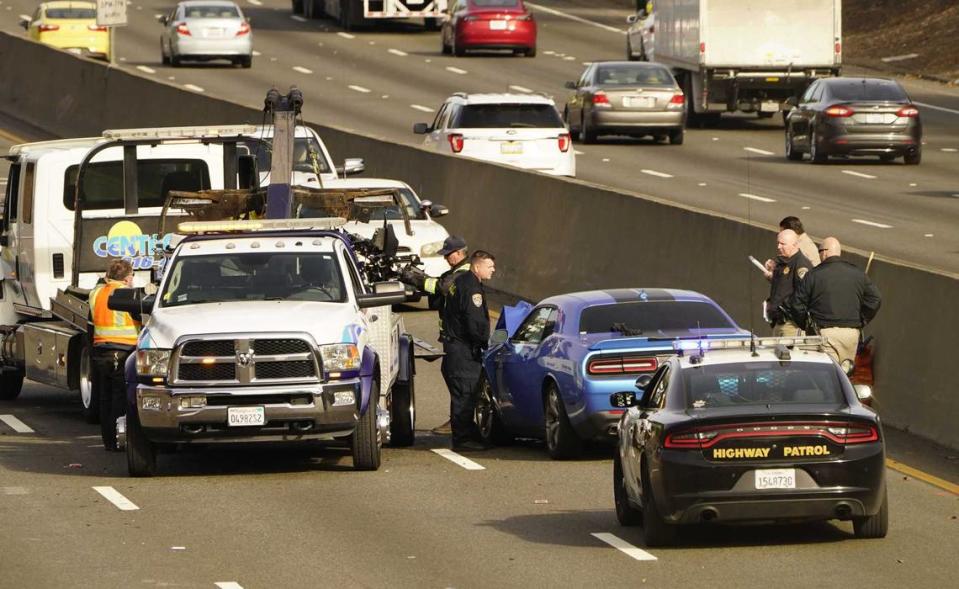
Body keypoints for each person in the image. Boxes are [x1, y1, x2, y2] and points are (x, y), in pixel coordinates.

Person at [399, 235, 470, 435]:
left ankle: (459, 422)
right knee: (450, 374)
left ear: (458, 253)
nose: (446, 259)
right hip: (451, 336)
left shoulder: (463, 272)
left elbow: (441, 287)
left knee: (457, 379)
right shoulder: (455, 271)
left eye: (448, 255)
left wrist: (417, 279)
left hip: (459, 338)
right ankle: (458, 419)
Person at [788, 237, 882, 372]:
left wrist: (806, 325)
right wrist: (861, 320)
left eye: (819, 251)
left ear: (825, 252)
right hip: (851, 334)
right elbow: (875, 298)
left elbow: (796, 305)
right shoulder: (857, 273)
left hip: (824, 333)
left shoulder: (814, 275)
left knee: (825, 375)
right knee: (845, 374)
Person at [439, 250, 495, 451]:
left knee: (465, 393)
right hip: (463, 351)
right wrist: (484, 342)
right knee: (465, 393)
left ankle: (468, 432)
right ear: (477, 267)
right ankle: (462, 439)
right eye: (490, 266)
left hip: (454, 347)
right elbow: (475, 322)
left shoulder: (461, 282)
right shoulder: (472, 290)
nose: (493, 270)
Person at [89, 259, 141, 451]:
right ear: (127, 278)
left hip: (101, 349)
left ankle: (109, 442)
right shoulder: (128, 294)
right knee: (121, 398)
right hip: (123, 350)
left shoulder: (96, 293)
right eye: (132, 276)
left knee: (105, 397)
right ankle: (121, 438)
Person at [765, 229, 812, 336]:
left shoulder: (801, 265)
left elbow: (803, 295)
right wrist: (773, 274)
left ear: (795, 244)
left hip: (791, 325)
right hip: (778, 322)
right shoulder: (784, 261)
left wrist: (783, 308)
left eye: (782, 244)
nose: (778, 247)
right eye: (778, 243)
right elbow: (783, 286)